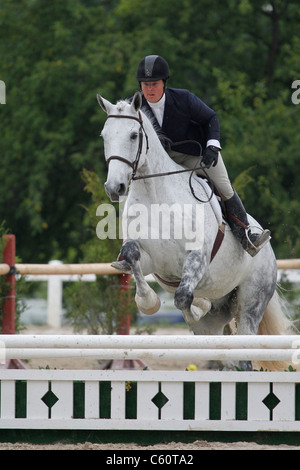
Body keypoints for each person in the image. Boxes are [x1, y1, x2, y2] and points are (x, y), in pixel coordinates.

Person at [135, 54, 270, 257]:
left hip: (194, 155)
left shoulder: (183, 98)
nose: (149, 90)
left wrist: (212, 146)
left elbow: (210, 117)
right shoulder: (134, 105)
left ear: (164, 82)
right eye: (145, 85)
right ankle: (130, 245)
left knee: (223, 185)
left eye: (154, 84)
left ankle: (246, 235)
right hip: (161, 161)